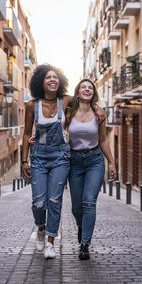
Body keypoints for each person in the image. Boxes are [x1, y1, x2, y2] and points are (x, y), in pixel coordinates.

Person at [22, 64, 105, 259]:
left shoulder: (65, 100)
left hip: (61, 157)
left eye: (55, 77)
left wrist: (96, 106)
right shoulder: (31, 105)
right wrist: (23, 161)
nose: (52, 80)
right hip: (39, 158)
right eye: (48, 77)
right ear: (40, 81)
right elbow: (26, 133)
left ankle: (51, 242)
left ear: (60, 82)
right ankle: (41, 227)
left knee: (55, 200)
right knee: (38, 203)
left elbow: (84, 96)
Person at [65, 78, 116, 260]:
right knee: (77, 207)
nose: (87, 89)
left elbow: (103, 140)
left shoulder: (99, 115)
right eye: (83, 87)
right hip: (75, 162)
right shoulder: (69, 112)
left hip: (95, 160)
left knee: (89, 202)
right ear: (77, 92)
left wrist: (112, 163)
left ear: (94, 93)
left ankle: (85, 244)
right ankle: (81, 225)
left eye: (90, 88)